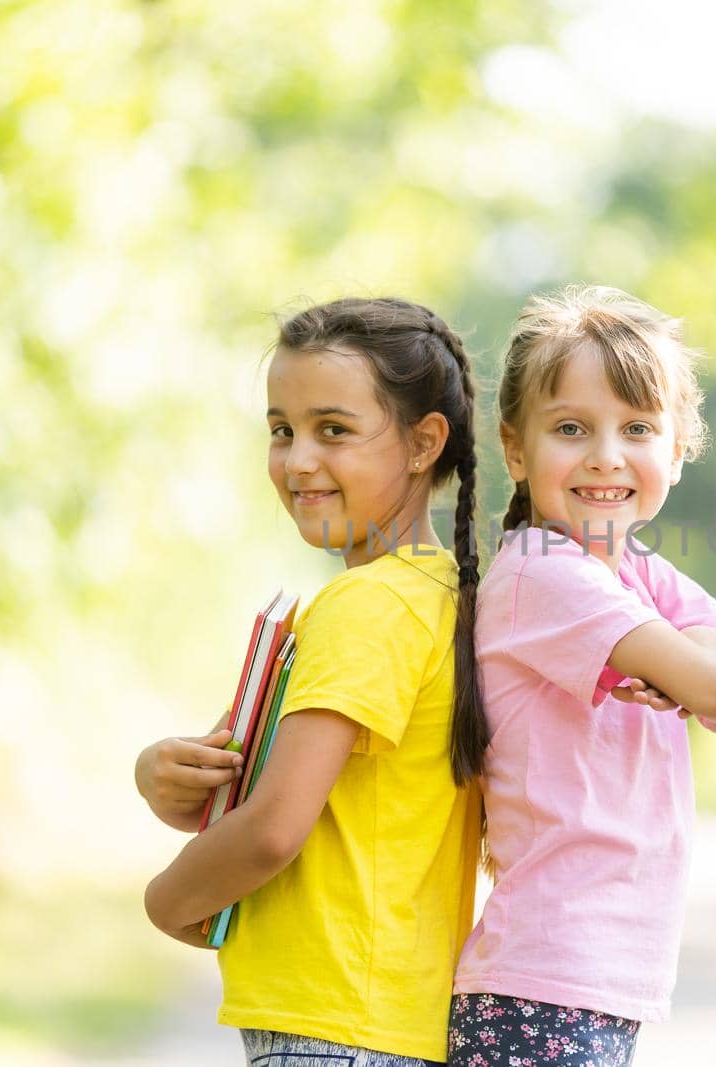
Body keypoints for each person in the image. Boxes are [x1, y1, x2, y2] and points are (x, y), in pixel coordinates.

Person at [448, 285, 716, 1067]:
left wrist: (685, 651)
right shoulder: (544, 573)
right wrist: (699, 665)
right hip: (541, 985)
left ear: (678, 451)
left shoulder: (638, 576)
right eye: (572, 428)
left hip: (595, 983)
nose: (606, 455)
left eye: (638, 428)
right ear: (516, 449)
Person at [136, 297, 488, 1066]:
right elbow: (293, 792)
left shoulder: (366, 606)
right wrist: (165, 776)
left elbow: (271, 827)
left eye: (334, 429)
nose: (298, 459)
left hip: (335, 1031)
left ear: (426, 441)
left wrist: (166, 899)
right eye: (281, 430)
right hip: (381, 1021)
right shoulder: (435, 595)